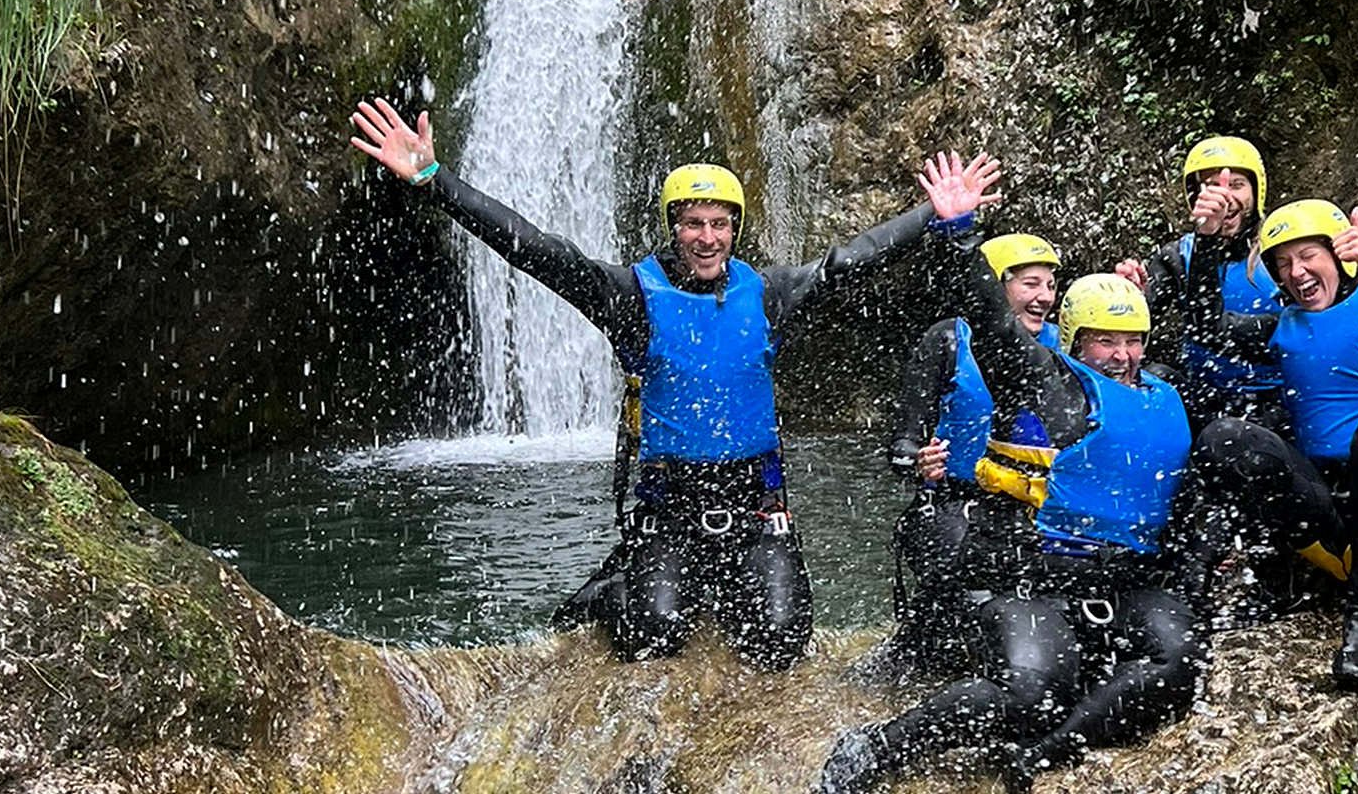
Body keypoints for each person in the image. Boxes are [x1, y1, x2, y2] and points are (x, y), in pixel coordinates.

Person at [348, 98, 1000, 670]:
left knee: (779, 642)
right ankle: (613, 588)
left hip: (757, 514)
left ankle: (724, 584)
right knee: (652, 635)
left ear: (735, 230)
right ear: (674, 226)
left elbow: (849, 261)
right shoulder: (630, 295)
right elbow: (535, 249)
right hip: (670, 516)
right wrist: (435, 181)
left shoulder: (770, 294)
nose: (707, 237)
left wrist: (935, 217)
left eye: (719, 224)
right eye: (693, 222)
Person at [818, 165, 1200, 792]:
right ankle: (878, 747)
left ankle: (1049, 751)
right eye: (1105, 342)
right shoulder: (1047, 383)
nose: (1122, 356)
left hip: (1125, 574)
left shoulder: (1163, 390)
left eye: (1132, 342)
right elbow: (993, 330)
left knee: (1180, 663)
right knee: (1030, 692)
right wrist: (960, 233)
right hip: (1033, 571)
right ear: (1076, 344)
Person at [1181, 198, 1358, 688]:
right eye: (1283, 263)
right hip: (1337, 523)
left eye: (1308, 256)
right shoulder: (1282, 326)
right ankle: (1278, 577)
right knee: (1222, 438)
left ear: (1338, 256)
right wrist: (1209, 245)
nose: (1297, 273)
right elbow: (1205, 327)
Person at [882, 233, 1062, 679]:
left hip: (1036, 503)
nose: (1044, 298)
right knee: (965, 581)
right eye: (1030, 284)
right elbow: (900, 444)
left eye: (1050, 285)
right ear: (996, 289)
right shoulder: (946, 341)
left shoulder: (1065, 343)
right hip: (955, 499)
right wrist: (917, 460)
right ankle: (921, 660)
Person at [1115, 135, 1284, 429]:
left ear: (1257, 192)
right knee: (1155, 376)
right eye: (1211, 186)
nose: (1224, 196)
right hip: (1203, 398)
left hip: (1275, 400)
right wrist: (1133, 298)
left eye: (1236, 185)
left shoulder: (1281, 252)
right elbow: (1130, 330)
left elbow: (1213, 331)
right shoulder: (1179, 256)